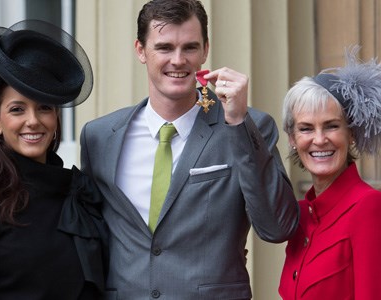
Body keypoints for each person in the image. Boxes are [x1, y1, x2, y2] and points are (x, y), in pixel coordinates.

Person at [79, 0, 299, 298]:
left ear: (205, 50)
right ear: (141, 50)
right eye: (165, 47)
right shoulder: (99, 137)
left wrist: (237, 122)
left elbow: (278, 227)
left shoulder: (250, 126)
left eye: (190, 48)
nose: (178, 60)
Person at [0, 19, 107, 299]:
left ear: (56, 117)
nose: (33, 121)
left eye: (44, 108)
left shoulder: (80, 192)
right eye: (17, 109)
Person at [278, 47, 381, 299]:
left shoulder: (370, 207)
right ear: (292, 139)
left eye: (331, 126)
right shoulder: (300, 215)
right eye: (306, 129)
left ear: (351, 134)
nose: (319, 139)